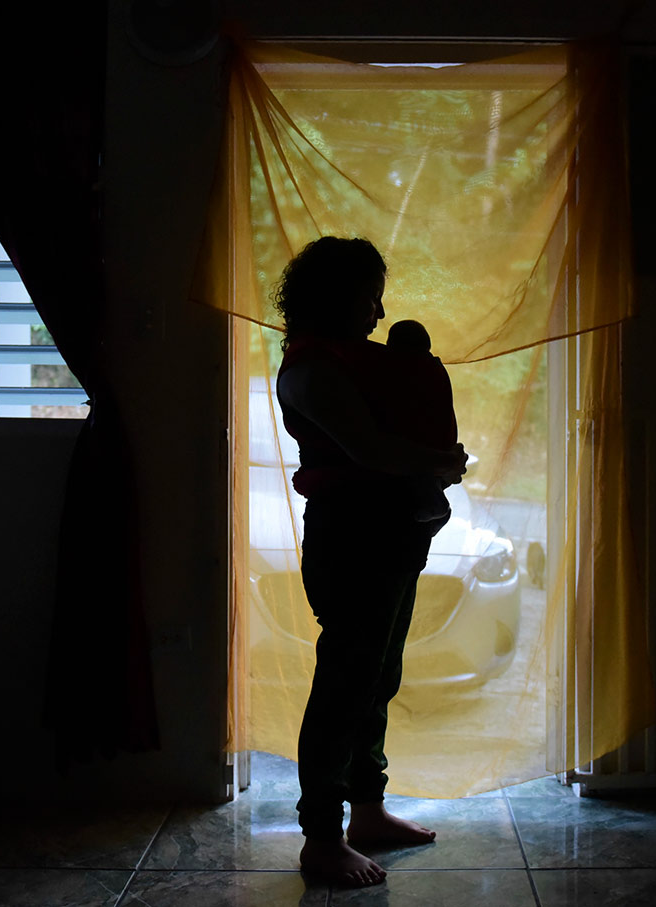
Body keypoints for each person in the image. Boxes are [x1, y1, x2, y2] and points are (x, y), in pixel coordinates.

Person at [273, 236, 469, 888]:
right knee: (345, 684)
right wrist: (440, 463)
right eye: (367, 296)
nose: (379, 312)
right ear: (336, 296)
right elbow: (372, 450)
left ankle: (368, 811)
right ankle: (321, 838)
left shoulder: (351, 360)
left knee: (376, 675)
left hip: (387, 536)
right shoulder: (309, 366)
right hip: (351, 537)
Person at [383, 318, 457, 522]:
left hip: (420, 444)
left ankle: (437, 506)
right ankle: (437, 507)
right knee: (427, 480)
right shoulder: (435, 368)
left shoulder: (406, 370)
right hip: (437, 442)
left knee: (420, 478)